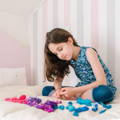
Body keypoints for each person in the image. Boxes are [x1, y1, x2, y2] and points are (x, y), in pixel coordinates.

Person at [42, 28, 117, 103]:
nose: (60, 55)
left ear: (70, 41)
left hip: (99, 87)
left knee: (104, 92)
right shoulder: (67, 59)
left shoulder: (89, 52)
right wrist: (58, 91)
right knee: (46, 90)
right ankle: (77, 96)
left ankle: (74, 96)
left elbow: (101, 82)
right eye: (56, 54)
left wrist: (74, 90)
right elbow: (58, 81)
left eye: (60, 49)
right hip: (83, 88)